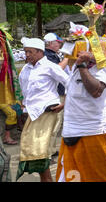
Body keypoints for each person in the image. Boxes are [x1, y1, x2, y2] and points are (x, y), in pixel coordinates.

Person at [56, 49, 106, 182]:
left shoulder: (102, 67)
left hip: (94, 132)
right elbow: (74, 95)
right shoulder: (74, 68)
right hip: (71, 132)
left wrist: (83, 65)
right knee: (73, 175)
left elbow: (96, 91)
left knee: (105, 175)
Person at [17, 38, 69, 182]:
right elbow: (25, 92)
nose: (27, 55)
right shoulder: (25, 69)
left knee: (38, 150)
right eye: (25, 51)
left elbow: (69, 83)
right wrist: (23, 108)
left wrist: (65, 103)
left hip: (49, 112)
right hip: (32, 114)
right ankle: (46, 179)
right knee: (30, 150)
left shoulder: (49, 66)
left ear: (40, 52)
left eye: (30, 52)